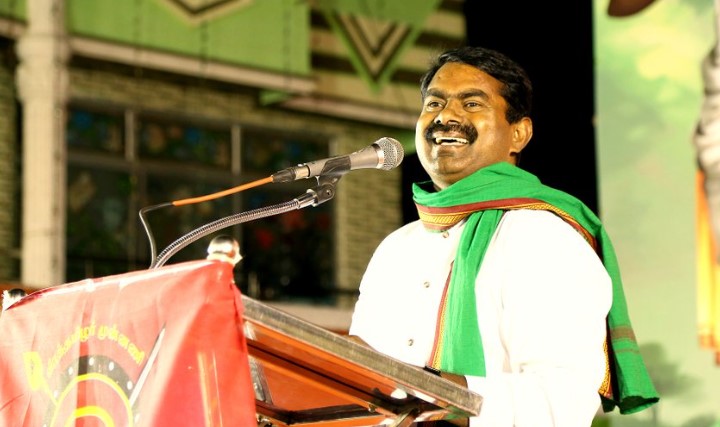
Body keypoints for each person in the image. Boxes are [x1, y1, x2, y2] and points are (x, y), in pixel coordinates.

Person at [348, 46, 659, 426]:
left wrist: (434, 394)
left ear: (519, 133)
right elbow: (359, 381)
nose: (445, 117)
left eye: (472, 104)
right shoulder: (397, 248)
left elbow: (562, 400)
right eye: (434, 104)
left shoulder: (543, 237)